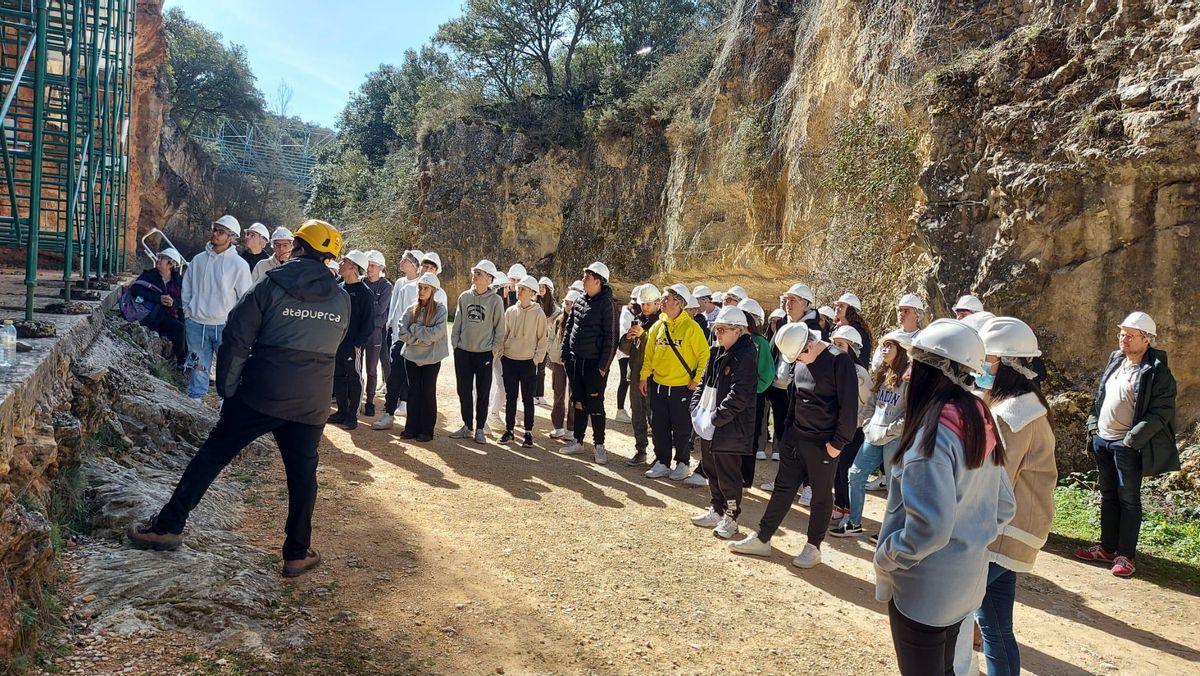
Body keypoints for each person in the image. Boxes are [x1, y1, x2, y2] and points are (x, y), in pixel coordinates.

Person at [126, 219, 350, 578]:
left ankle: (168, 526)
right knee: (303, 474)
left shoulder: (270, 285)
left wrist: (229, 389)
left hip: (262, 392)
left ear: (297, 245)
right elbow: (332, 346)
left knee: (213, 454)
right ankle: (296, 552)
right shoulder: (341, 298)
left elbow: (236, 337)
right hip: (311, 402)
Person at [873, 319, 1015, 675]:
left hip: (924, 591)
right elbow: (1005, 506)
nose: (906, 375)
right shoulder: (979, 420)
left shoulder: (930, 438)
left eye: (913, 365)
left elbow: (931, 530)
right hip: (966, 582)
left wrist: (888, 555)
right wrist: (969, 541)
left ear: (929, 373)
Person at [730, 321, 858, 568]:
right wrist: (786, 432)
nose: (798, 362)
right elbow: (795, 397)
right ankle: (763, 537)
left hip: (824, 444)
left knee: (820, 496)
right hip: (795, 438)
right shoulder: (800, 360)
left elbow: (849, 408)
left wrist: (837, 444)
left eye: (800, 356)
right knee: (782, 489)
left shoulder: (839, 361)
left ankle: (813, 547)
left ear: (810, 344)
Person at [970, 317, 1057, 675]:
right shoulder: (1023, 405)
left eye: (985, 359)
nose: (979, 367)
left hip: (1003, 533)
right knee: (994, 624)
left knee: (954, 608)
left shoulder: (1011, 416)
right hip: (1013, 531)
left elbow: (994, 481)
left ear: (1004, 364)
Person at [1076, 311, 1179, 577]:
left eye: (1131, 336)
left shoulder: (1157, 372)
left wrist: (1132, 440)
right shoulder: (1115, 360)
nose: (1124, 339)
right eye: (1122, 334)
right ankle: (1107, 549)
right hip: (1103, 440)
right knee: (1109, 496)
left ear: (1147, 340)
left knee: (1129, 500)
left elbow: (1161, 411)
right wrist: (1093, 426)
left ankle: (1126, 556)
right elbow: (1101, 396)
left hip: (1128, 445)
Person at [831, 330, 911, 538]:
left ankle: (890, 531)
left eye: (890, 346)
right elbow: (872, 403)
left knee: (894, 486)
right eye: (883, 345)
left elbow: (910, 415)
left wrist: (889, 430)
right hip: (873, 435)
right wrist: (867, 424)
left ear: (901, 350)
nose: (884, 350)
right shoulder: (883, 373)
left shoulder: (910, 379)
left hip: (894, 439)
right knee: (855, 474)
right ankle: (854, 522)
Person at [689, 306, 759, 539]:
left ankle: (731, 517)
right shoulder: (716, 351)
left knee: (728, 475)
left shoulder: (747, 355)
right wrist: (695, 408)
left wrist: (716, 419)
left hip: (730, 428)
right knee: (711, 469)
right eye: (716, 329)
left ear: (738, 331)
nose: (716, 333)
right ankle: (716, 509)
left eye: (721, 329)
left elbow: (740, 396)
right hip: (710, 423)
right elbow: (703, 382)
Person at [639, 284, 709, 480]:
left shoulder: (692, 328)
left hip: (682, 388)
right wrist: (644, 376)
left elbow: (704, 355)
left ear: (678, 302)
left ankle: (683, 463)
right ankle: (662, 461)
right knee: (659, 426)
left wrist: (697, 380)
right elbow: (649, 355)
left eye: (666, 298)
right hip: (659, 385)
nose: (662, 302)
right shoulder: (657, 327)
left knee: (681, 428)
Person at [181, 214, 253, 400]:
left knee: (227, 367)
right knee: (199, 365)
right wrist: (188, 313)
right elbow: (186, 288)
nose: (215, 234)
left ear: (231, 237)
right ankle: (195, 399)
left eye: (221, 232)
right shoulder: (198, 260)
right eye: (215, 229)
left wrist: (236, 324)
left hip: (224, 325)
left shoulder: (239, 265)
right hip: (196, 323)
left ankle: (225, 402)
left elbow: (245, 298)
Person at [560, 262, 620, 465]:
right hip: (577, 361)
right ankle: (578, 441)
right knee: (577, 402)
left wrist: (603, 367)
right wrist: (565, 354)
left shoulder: (607, 304)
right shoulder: (579, 301)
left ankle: (599, 445)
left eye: (588, 276)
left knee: (596, 405)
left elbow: (611, 337)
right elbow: (569, 329)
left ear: (598, 281)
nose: (584, 279)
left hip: (595, 365)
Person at [449, 260, 505, 444]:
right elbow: (457, 323)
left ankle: (480, 428)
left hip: (484, 354)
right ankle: (467, 426)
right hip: (463, 352)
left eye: (479, 273)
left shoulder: (496, 300)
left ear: (489, 279)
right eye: (475, 272)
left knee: (483, 392)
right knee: (463, 390)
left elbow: (500, 329)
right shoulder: (464, 297)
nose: (475, 275)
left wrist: (493, 351)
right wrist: (456, 345)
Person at [396, 272, 449, 442]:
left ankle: (426, 430)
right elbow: (401, 329)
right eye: (420, 287)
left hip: (432, 358)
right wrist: (420, 338)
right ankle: (411, 428)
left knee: (427, 391)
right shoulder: (411, 308)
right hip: (412, 357)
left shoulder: (440, 309)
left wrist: (415, 331)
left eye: (425, 288)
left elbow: (437, 333)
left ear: (433, 290)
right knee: (413, 392)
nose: (421, 290)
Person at [828, 325, 872, 528]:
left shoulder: (860, 374)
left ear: (852, 348)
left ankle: (848, 509)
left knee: (846, 470)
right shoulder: (831, 366)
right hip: (834, 426)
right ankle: (838, 505)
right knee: (836, 470)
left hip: (853, 430)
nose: (836, 348)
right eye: (834, 344)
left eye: (841, 345)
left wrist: (854, 426)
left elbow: (864, 403)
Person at [374, 250, 422, 430]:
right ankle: (389, 412)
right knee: (395, 375)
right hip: (397, 336)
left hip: (414, 339)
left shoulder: (421, 285)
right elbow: (394, 309)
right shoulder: (401, 283)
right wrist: (391, 327)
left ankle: (406, 405)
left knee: (412, 377)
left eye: (405, 260)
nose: (401, 262)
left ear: (414, 264)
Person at [499, 276, 549, 448]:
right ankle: (509, 430)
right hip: (510, 361)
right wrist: (502, 354)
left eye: (523, 289)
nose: (518, 291)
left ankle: (528, 433)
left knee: (528, 399)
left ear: (532, 293)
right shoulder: (510, 311)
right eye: (519, 288)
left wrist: (535, 360)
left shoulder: (539, 314)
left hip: (528, 362)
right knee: (510, 397)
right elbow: (504, 334)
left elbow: (543, 340)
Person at [329, 250, 375, 430]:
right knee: (338, 377)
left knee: (354, 378)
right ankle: (341, 411)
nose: (340, 263)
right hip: (336, 343)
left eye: (345, 261)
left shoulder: (365, 293)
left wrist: (358, 344)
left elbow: (369, 323)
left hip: (352, 346)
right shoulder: (338, 287)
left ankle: (352, 415)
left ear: (354, 267)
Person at [618, 284, 662, 466]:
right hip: (635, 375)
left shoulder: (662, 324)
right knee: (638, 415)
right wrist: (628, 338)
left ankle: (660, 455)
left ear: (657, 303)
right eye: (643, 304)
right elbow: (624, 350)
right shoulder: (638, 320)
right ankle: (641, 450)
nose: (644, 308)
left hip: (654, 378)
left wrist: (644, 336)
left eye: (648, 304)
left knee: (655, 417)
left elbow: (657, 349)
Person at [133, 248, 187, 366]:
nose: (158, 260)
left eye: (162, 258)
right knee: (180, 328)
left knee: (187, 327)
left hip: (173, 314)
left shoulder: (178, 280)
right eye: (159, 257)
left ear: (171, 264)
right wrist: (158, 298)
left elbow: (186, 299)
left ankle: (191, 362)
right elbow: (135, 290)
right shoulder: (149, 275)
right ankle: (182, 361)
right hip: (153, 315)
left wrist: (173, 302)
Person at [361, 250, 393, 417]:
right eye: (368, 265)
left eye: (372, 265)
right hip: (360, 332)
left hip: (375, 332)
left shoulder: (386, 286)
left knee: (372, 369)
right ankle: (356, 399)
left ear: (380, 267)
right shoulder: (361, 282)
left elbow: (380, 309)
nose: (369, 268)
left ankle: (370, 402)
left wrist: (365, 306)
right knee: (356, 369)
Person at [547, 290, 580, 439]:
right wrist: (551, 351)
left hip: (573, 363)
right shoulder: (559, 320)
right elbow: (550, 337)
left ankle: (571, 428)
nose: (569, 306)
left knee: (573, 395)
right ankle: (558, 426)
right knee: (558, 394)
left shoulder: (580, 321)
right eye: (567, 303)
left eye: (572, 304)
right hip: (558, 363)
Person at [873, 293, 924, 369]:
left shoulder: (924, 338)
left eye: (906, 311)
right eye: (900, 310)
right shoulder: (890, 338)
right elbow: (876, 365)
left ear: (917, 315)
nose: (901, 314)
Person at [614, 290, 639, 424]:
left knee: (632, 380)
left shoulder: (638, 313)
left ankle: (630, 408)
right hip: (624, 352)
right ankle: (620, 410)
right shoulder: (626, 312)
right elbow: (626, 331)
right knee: (625, 379)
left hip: (634, 352)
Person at [534, 276, 557, 406]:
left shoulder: (553, 306)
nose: (541, 289)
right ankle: (532, 394)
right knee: (533, 368)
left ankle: (539, 394)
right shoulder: (534, 303)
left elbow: (556, 318)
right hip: (534, 340)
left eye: (544, 287)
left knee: (541, 369)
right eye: (540, 287)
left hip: (546, 341)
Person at [834, 292, 874, 365]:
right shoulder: (834, 328)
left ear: (850, 310)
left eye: (841, 306)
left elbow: (863, 357)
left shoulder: (859, 331)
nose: (837, 308)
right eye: (837, 305)